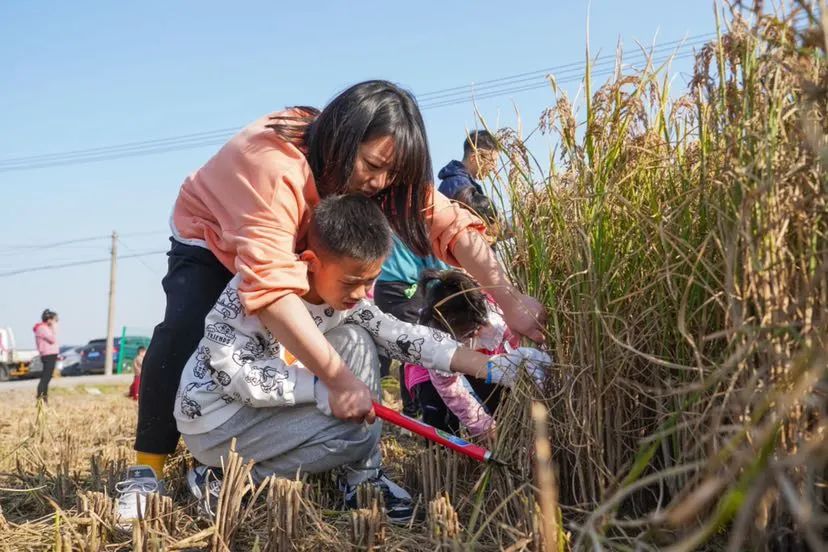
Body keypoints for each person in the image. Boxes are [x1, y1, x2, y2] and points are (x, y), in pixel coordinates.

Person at [120, 80, 546, 521]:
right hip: (211, 234)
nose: (380, 184)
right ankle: (148, 470)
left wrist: (508, 309)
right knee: (186, 328)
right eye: (373, 166)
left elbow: (446, 231)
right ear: (343, 139)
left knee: (357, 336)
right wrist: (332, 383)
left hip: (301, 262)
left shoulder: (370, 192)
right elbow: (271, 291)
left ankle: (353, 478)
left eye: (392, 176)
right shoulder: (273, 166)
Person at [166, 195, 549, 524]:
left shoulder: (349, 300)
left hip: (269, 413)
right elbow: (240, 378)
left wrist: (493, 367)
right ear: (312, 262)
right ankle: (222, 479)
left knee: (358, 334)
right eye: (352, 282)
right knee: (353, 434)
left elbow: (402, 336)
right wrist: (324, 389)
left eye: (371, 281)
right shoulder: (256, 287)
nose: (363, 293)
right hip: (216, 420)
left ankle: (362, 478)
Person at [373, 130, 503, 416]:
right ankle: (416, 405)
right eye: (490, 161)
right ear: (476, 154)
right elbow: (443, 247)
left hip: (414, 281)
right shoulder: (456, 191)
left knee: (423, 347)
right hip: (404, 282)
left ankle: (420, 404)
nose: (493, 168)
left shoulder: (451, 188)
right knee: (417, 346)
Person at [404, 270, 522, 438]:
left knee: (501, 403)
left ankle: (509, 440)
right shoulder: (432, 340)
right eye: (465, 333)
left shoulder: (495, 318)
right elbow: (449, 388)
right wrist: (481, 425)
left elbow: (516, 358)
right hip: (429, 373)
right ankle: (447, 453)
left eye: (473, 330)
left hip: (484, 358)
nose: (471, 335)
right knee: (440, 419)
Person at [437, 130, 500, 200]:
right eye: (491, 161)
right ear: (474, 158)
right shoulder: (460, 185)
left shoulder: (458, 181)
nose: (493, 167)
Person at [33, 309, 59, 403]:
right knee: (45, 377)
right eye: (53, 319)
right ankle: (41, 398)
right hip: (48, 355)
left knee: (47, 377)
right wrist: (53, 326)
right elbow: (52, 339)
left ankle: (44, 398)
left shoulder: (43, 328)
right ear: (48, 319)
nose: (54, 321)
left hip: (49, 354)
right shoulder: (43, 328)